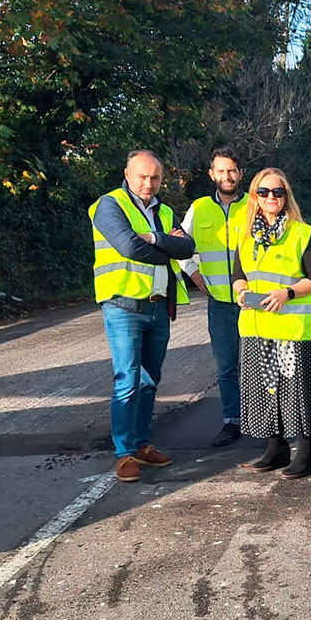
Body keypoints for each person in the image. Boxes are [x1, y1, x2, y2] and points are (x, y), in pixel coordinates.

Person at [88, 150, 195, 483]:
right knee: (127, 381)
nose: (148, 184)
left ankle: (141, 444)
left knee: (150, 381)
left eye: (155, 178)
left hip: (158, 306)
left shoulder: (163, 210)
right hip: (123, 306)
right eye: (142, 176)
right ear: (127, 173)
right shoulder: (109, 205)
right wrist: (166, 246)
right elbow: (129, 248)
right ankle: (124, 454)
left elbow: (188, 247)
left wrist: (153, 239)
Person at [231, 168, 311, 479]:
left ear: (286, 197)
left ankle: (305, 450)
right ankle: (276, 447)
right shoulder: (246, 237)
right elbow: (237, 276)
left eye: (277, 192)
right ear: (255, 197)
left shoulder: (301, 233)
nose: (270, 197)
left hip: (290, 331)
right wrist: (241, 291)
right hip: (256, 329)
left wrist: (286, 293)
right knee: (264, 390)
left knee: (295, 391)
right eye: (264, 192)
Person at [178, 148, 248, 447]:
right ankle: (232, 421)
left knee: (261, 364)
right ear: (211, 174)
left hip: (254, 301)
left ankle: (267, 422)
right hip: (219, 302)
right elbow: (180, 248)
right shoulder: (198, 208)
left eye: (231, 170)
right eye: (221, 171)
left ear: (240, 173)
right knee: (226, 367)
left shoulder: (256, 204)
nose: (227, 176)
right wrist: (194, 275)